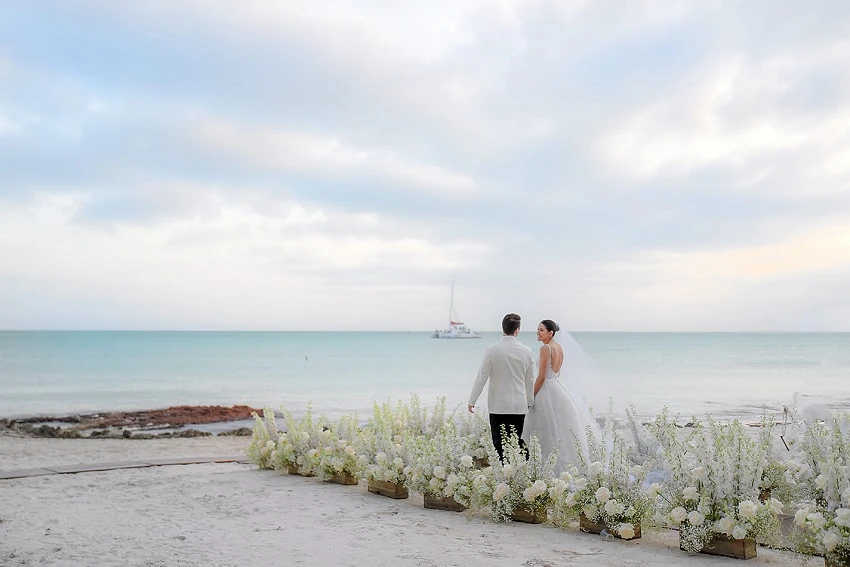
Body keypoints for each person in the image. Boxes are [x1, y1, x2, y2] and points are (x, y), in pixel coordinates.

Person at [522, 319, 600, 474]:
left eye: (541, 330)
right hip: (558, 387)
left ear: (551, 333)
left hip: (546, 389)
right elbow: (556, 372)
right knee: (559, 427)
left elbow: (542, 377)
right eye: (537, 329)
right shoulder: (559, 347)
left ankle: (545, 467)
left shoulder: (545, 348)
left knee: (544, 428)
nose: (538, 332)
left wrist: (530, 397)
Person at [468, 313, 535, 460]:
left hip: (498, 405)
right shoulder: (527, 351)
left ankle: (505, 476)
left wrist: (472, 400)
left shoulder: (492, 350)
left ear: (502, 328)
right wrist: (530, 401)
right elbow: (529, 380)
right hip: (518, 405)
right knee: (517, 443)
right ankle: (523, 472)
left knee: (499, 445)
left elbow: (482, 377)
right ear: (517, 330)